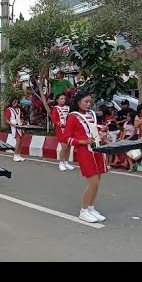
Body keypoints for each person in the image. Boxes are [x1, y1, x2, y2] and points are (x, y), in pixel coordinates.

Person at [62, 90, 108, 223]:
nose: (89, 104)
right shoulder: (73, 117)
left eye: (90, 102)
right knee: (93, 182)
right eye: (86, 102)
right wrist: (81, 142)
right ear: (78, 102)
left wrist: (102, 135)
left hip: (97, 149)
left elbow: (92, 130)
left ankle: (91, 208)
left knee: (97, 182)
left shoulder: (92, 114)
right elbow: (66, 138)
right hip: (85, 152)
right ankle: (83, 210)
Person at [51, 94, 74, 171]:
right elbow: (54, 119)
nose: (63, 100)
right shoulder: (55, 108)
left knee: (69, 147)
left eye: (64, 98)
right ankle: (61, 162)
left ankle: (66, 162)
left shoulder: (68, 108)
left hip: (69, 129)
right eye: (61, 99)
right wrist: (61, 124)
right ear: (57, 100)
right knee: (64, 147)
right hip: (61, 130)